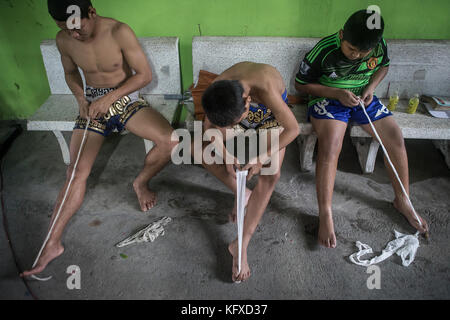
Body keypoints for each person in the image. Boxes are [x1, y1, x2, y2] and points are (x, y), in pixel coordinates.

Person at [21, 0, 177, 277]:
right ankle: (52, 243)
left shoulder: (119, 31)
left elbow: (144, 75)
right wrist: (81, 97)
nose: (74, 35)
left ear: (91, 12)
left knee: (171, 142)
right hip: (92, 103)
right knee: (75, 172)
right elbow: (70, 73)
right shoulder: (64, 39)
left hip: (124, 99)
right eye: (65, 29)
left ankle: (141, 183)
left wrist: (111, 98)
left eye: (78, 28)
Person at [294, 9, 429, 248]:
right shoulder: (324, 49)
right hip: (329, 98)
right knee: (331, 146)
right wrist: (336, 93)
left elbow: (383, 67)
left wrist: (371, 88)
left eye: (362, 52)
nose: (356, 56)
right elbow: (301, 84)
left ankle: (403, 199)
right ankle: (325, 213)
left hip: (362, 98)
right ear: (342, 34)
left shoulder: (379, 45)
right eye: (351, 49)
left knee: (395, 136)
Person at [199, 62, 300, 282]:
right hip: (241, 114)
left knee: (271, 173)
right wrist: (225, 154)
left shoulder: (265, 88)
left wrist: (261, 158)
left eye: (234, 122)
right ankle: (242, 192)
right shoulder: (218, 89)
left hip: (270, 117)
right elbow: (209, 127)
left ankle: (241, 244)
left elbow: (293, 129)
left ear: (247, 101)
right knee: (201, 150)